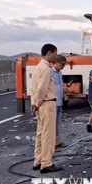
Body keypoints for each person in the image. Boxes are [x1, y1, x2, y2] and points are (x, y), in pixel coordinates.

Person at [30, 43, 63, 173]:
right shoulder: (46, 69)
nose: (55, 56)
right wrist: (37, 103)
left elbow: (34, 88)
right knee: (48, 134)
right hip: (47, 103)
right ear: (49, 53)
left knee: (40, 133)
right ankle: (46, 163)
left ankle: (37, 160)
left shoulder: (37, 67)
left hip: (40, 104)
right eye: (55, 53)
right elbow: (42, 88)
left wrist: (34, 103)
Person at [52, 55, 67, 148]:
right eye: (62, 64)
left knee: (57, 122)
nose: (63, 66)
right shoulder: (49, 72)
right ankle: (51, 142)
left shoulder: (60, 73)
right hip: (52, 102)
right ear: (56, 62)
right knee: (51, 124)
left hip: (59, 102)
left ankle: (56, 140)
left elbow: (59, 86)